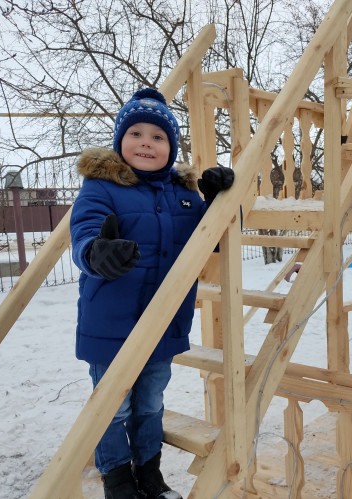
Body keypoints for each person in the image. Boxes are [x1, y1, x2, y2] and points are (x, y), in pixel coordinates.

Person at [70, 88, 234, 499]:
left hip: (163, 321)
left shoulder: (182, 194)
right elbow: (84, 233)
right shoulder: (100, 188)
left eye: (158, 137)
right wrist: (96, 252)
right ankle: (118, 479)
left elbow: (214, 237)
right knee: (113, 405)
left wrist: (217, 198)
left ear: (171, 147)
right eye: (137, 133)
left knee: (150, 401)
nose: (147, 142)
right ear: (120, 142)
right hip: (111, 322)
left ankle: (150, 473)